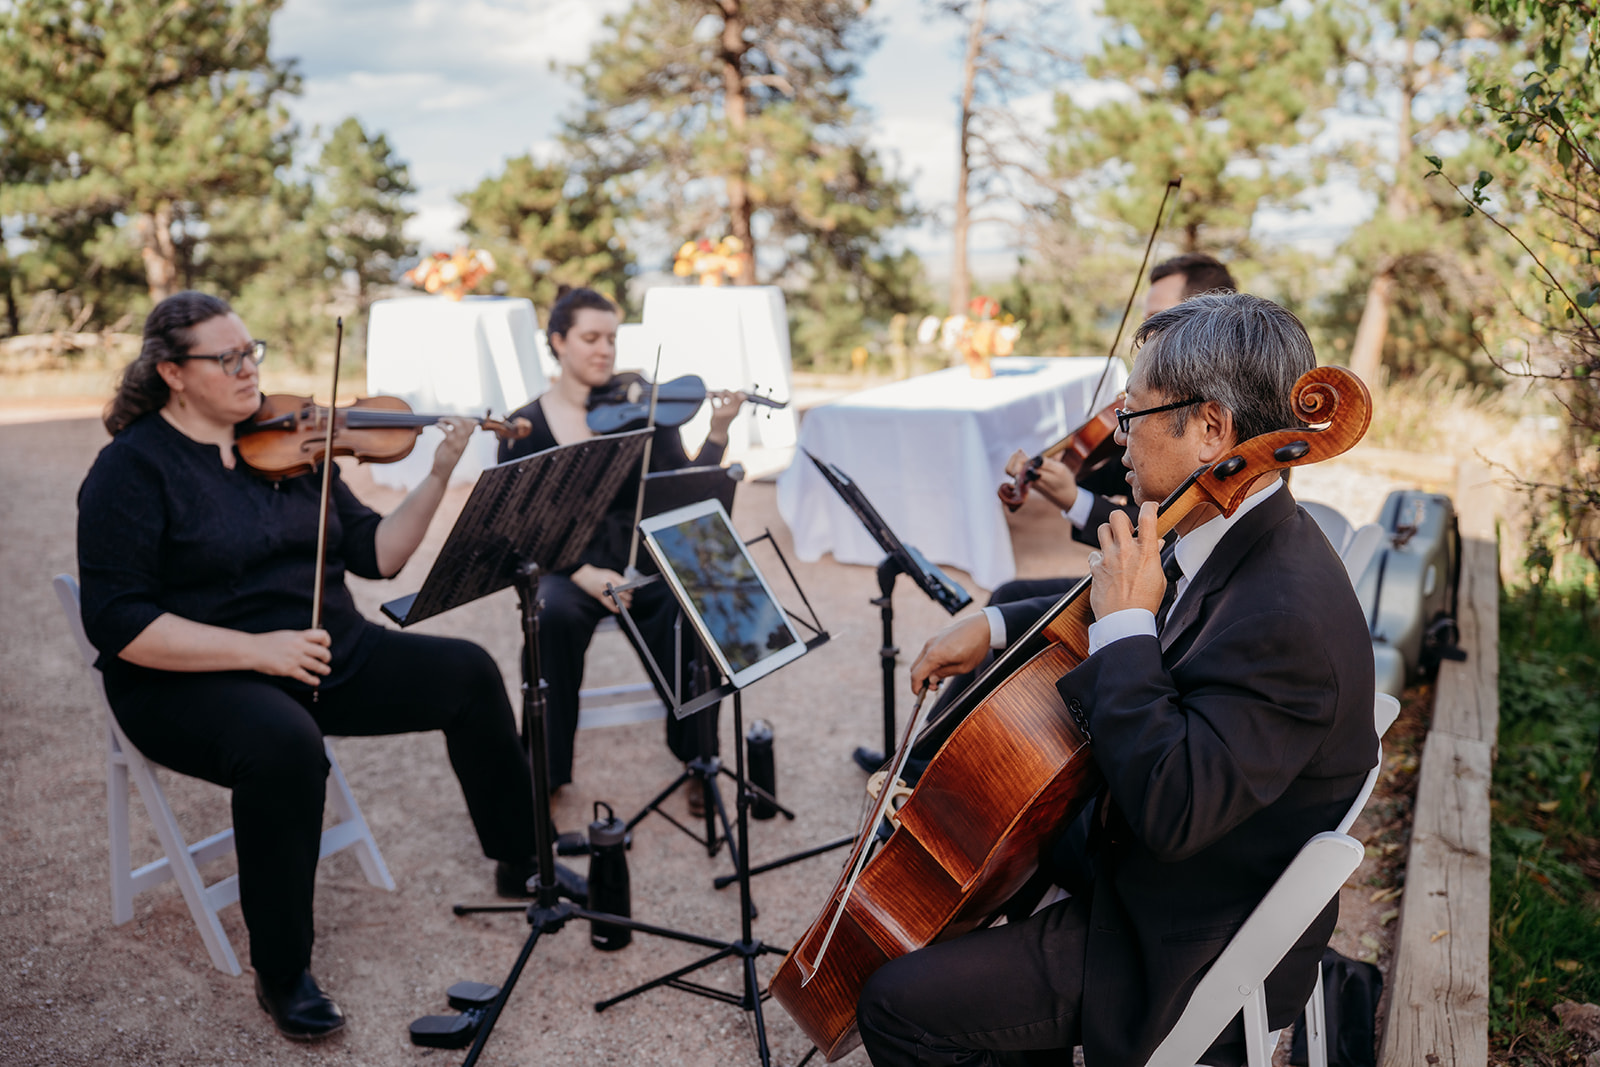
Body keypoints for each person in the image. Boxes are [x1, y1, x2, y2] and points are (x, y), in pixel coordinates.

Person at [858, 292, 1377, 1067]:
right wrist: (996, 623)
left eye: (1132, 416)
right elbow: (1122, 577)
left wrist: (1127, 627)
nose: (1118, 442)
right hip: (1164, 863)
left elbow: (1174, 811)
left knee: (897, 1003)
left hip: (1176, 928)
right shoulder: (1226, 519)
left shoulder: (1285, 616)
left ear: (1211, 429)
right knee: (983, 816)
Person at [76, 292, 542, 1043]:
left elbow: (377, 554)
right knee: (286, 745)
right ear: (172, 371)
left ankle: (520, 858)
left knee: (468, 671)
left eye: (249, 350)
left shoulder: (293, 447)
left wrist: (436, 474)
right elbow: (119, 622)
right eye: (225, 358)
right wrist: (258, 650)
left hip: (327, 654)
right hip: (190, 677)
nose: (247, 369)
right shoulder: (132, 470)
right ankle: (284, 971)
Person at [498, 286, 748, 800]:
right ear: (558, 342)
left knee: (696, 608)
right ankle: (543, 774)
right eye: (590, 338)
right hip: (567, 567)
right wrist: (579, 572)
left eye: (611, 338)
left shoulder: (643, 405)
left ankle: (699, 758)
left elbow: (685, 489)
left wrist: (718, 432)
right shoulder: (526, 425)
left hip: (639, 557)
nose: (605, 351)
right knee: (551, 615)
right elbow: (515, 528)